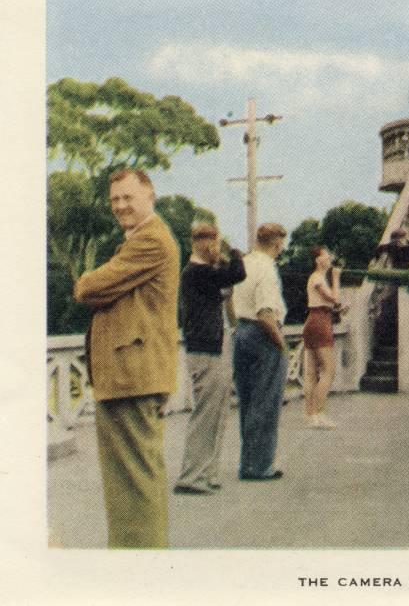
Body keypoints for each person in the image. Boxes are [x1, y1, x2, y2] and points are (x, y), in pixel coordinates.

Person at [73, 168, 179, 548]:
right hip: (131, 374)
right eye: (115, 199)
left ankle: (139, 571)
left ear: (149, 195)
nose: (120, 206)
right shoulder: (143, 239)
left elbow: (89, 287)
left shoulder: (150, 241)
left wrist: (90, 284)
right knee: (134, 481)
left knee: (133, 484)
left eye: (128, 197)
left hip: (133, 374)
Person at [173, 223, 246, 495]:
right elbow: (238, 273)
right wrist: (232, 252)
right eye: (214, 244)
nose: (217, 249)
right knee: (206, 414)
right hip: (205, 350)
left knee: (217, 413)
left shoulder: (201, 274)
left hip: (212, 345)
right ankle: (192, 476)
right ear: (206, 244)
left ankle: (207, 472)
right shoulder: (196, 272)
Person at [231, 222, 289, 481]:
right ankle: (261, 464)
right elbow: (266, 313)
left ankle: (247, 461)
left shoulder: (244, 263)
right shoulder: (266, 269)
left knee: (248, 401)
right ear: (277, 243)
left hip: (241, 331)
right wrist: (281, 344)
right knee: (266, 401)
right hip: (262, 334)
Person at [302, 246, 348, 429]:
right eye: (326, 256)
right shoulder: (318, 278)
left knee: (312, 372)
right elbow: (334, 298)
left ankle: (310, 414)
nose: (329, 259)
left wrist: (336, 308)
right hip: (320, 323)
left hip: (316, 320)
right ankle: (319, 413)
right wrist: (336, 279)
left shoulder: (317, 278)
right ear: (318, 260)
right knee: (329, 370)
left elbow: (326, 302)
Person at [372, 230, 409, 346]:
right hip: (396, 282)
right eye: (396, 240)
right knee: (390, 307)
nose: (398, 242)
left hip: (408, 281)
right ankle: (389, 340)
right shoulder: (391, 248)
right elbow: (379, 250)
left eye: (400, 239)